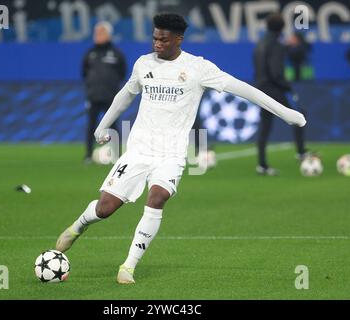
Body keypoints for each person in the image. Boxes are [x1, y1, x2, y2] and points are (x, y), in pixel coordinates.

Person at [56, 13, 306, 284]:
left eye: (163, 39)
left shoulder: (198, 68)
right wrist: (103, 126)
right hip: (139, 149)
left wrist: (285, 112)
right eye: (154, 38)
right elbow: (126, 95)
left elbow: (244, 89)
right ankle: (78, 226)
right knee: (105, 208)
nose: (157, 44)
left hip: (172, 152)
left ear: (178, 39)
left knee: (158, 197)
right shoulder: (143, 64)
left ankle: (128, 265)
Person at [253, 13, 308, 176]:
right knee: (299, 115)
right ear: (282, 28)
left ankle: (262, 165)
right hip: (273, 89)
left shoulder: (259, 44)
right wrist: (288, 87)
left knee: (265, 126)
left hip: (260, 88)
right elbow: (276, 72)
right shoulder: (276, 45)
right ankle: (301, 153)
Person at [82, 21, 127, 164]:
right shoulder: (90, 54)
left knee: (113, 126)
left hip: (111, 97)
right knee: (91, 126)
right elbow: (84, 73)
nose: (97, 35)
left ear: (108, 34)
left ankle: (117, 156)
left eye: (101, 32)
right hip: (93, 96)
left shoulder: (116, 54)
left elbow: (122, 73)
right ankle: (88, 155)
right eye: (96, 33)